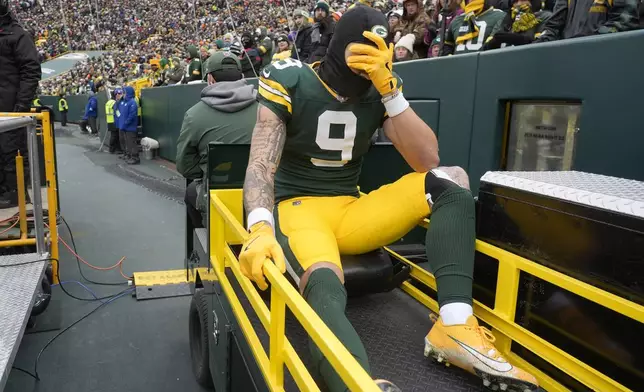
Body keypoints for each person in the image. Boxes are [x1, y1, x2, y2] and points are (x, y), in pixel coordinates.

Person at [239, 6, 538, 392]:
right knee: (326, 283)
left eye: (374, 62)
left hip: (351, 209)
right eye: (359, 63)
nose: (363, 76)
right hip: (299, 210)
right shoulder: (291, 78)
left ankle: (454, 325)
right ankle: (354, 381)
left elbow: (427, 160)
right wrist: (260, 226)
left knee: (451, 181)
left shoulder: (380, 88)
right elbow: (261, 164)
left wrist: (390, 91)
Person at [176, 51, 255, 228]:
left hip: (215, 198)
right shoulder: (266, 110)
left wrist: (208, 172)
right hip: (262, 198)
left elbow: (185, 167)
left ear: (210, 79)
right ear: (242, 76)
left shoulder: (194, 115)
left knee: (190, 193)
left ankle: (202, 244)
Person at [0, 0, 41, 208]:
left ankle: (15, 194)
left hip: (10, 109)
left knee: (11, 150)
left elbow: (31, 69)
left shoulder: (17, 35)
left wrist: (21, 106)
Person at [441, 0, 506, 55]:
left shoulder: (499, 16)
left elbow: (494, 44)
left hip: (484, 65)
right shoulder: (456, 20)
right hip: (458, 66)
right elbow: (448, 45)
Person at [119, 86, 139, 164]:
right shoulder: (125, 102)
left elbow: (132, 115)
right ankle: (130, 155)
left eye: (124, 92)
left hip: (130, 127)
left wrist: (126, 123)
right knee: (128, 143)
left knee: (131, 142)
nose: (123, 94)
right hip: (125, 127)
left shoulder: (132, 102)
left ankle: (135, 158)